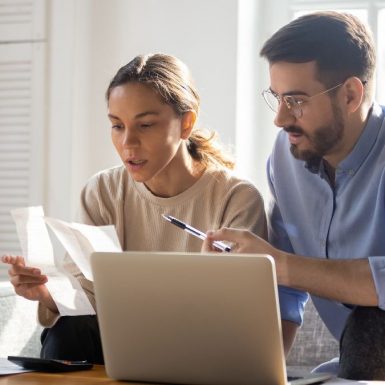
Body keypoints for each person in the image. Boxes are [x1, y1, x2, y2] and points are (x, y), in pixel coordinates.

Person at [2, 53, 266, 364]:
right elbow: (86, 297)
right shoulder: (102, 191)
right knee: (69, 329)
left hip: (199, 348)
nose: (128, 142)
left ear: (186, 123)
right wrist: (45, 294)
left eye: (145, 125)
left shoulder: (236, 198)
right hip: (119, 347)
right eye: (117, 126)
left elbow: (239, 318)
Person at [203, 11, 385, 381]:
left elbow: (285, 267)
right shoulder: (286, 157)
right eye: (277, 98)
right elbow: (285, 292)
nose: (281, 118)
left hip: (370, 347)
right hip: (353, 367)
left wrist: (282, 264)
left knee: (372, 321)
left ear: (351, 94)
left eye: (296, 100)